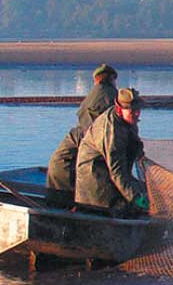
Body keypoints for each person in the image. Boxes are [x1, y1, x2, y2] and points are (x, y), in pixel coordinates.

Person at [45, 64, 118, 205]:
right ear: (111, 78)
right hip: (89, 137)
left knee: (60, 164)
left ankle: (63, 201)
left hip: (85, 136)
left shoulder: (99, 93)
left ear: (96, 79)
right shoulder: (108, 93)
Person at [74, 87, 147, 217]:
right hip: (95, 177)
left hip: (110, 171)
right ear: (119, 109)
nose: (137, 113)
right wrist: (135, 198)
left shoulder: (128, 119)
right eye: (132, 111)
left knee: (141, 191)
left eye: (138, 110)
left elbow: (134, 142)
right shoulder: (111, 131)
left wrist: (141, 154)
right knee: (125, 208)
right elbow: (117, 172)